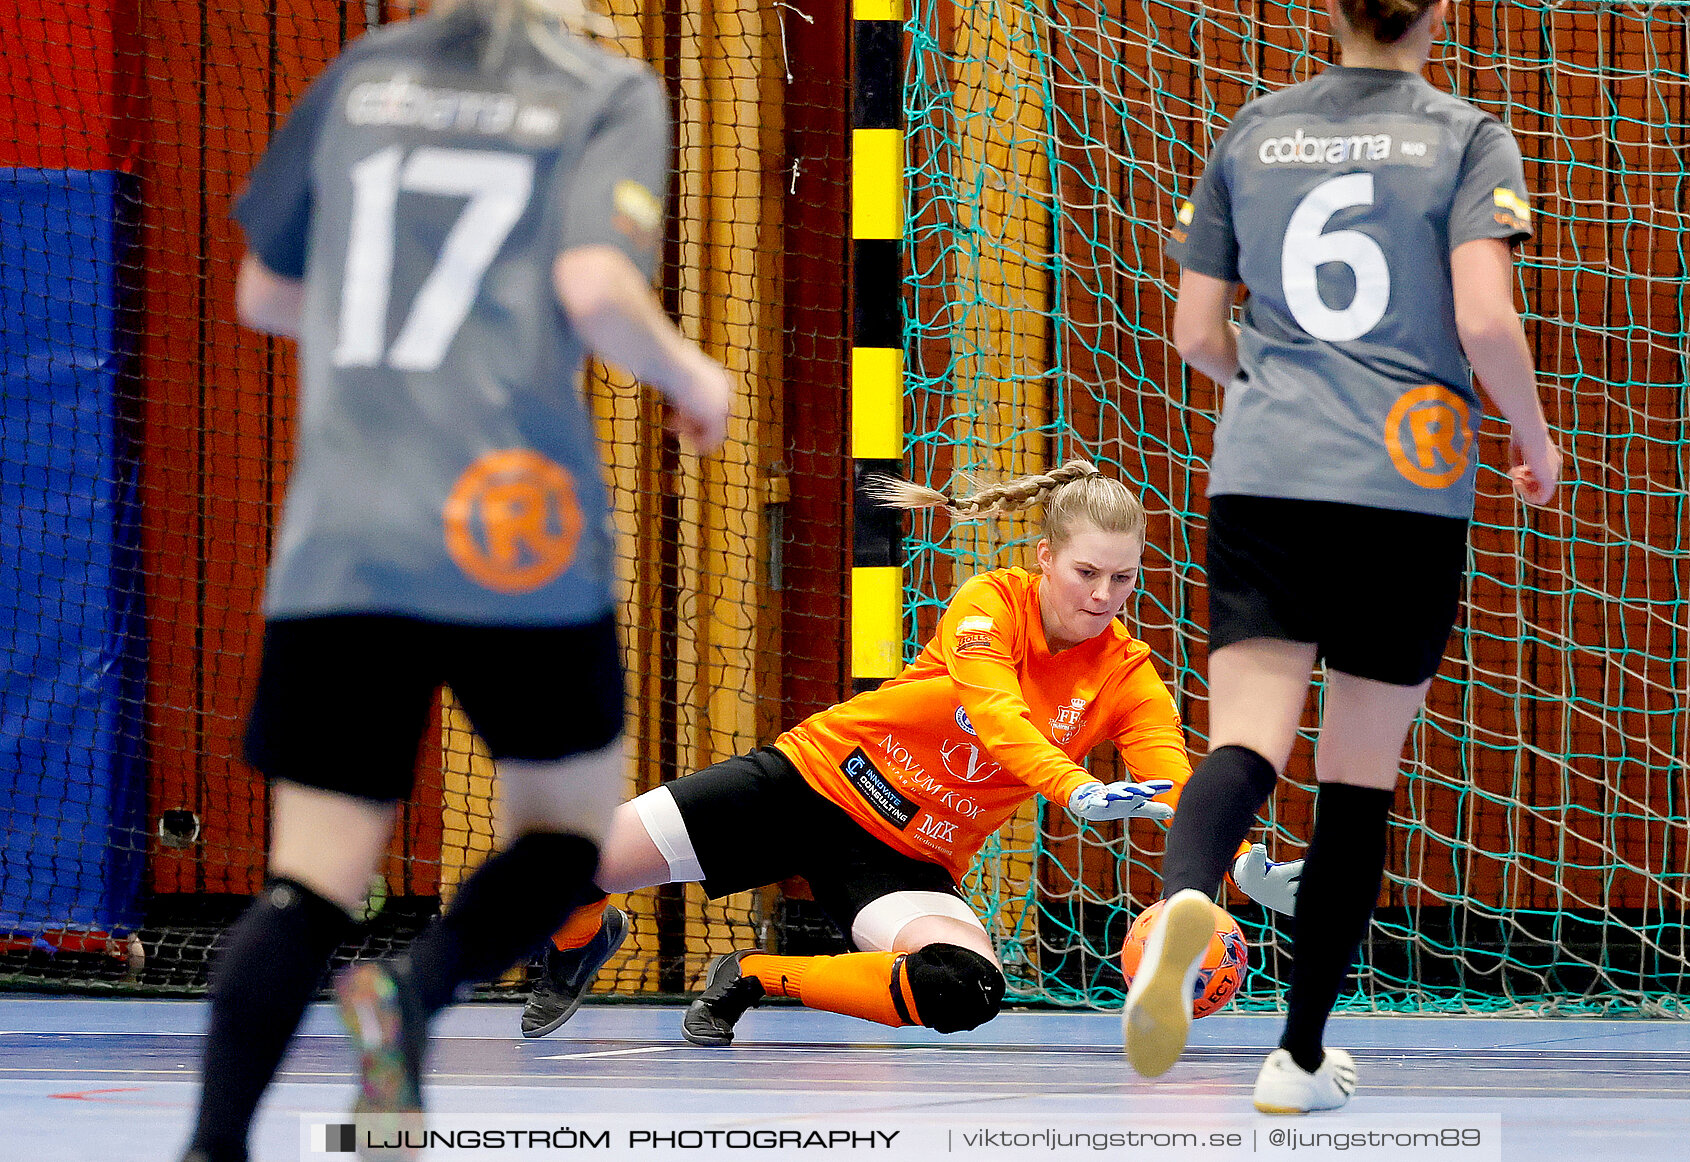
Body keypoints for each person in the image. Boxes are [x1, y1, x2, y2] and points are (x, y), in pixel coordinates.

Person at [177, 2, 732, 1159]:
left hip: (347, 532)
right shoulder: (603, 89)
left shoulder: (362, 74)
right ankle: (414, 995)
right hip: (512, 531)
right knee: (563, 841)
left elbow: (263, 296)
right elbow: (592, 284)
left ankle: (212, 1145)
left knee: (309, 882)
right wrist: (691, 375)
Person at [1121, 0, 1561, 1113]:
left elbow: (1193, 334)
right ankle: (1299, 1058)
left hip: (1266, 471)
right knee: (1357, 780)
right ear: (1440, 12)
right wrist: (1533, 434)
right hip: (1402, 484)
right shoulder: (1467, 135)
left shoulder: (1254, 130)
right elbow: (1484, 318)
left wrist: (1281, 394)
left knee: (1247, 741)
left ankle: (1186, 895)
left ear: (1331, 8)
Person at [518, 460, 1305, 1045]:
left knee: (967, 987)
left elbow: (1172, 775)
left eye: (1123, 579)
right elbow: (997, 715)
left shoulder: (1127, 674)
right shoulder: (987, 603)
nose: (1101, 596)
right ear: (1045, 559)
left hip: (903, 858)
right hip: (811, 782)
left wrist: (1236, 860)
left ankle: (752, 976)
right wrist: (1073, 789)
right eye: (1086, 572)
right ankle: (583, 938)